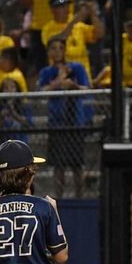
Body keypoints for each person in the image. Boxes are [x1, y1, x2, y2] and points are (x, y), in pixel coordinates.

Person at [37, 36, 92, 198]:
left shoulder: (78, 68)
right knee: (58, 165)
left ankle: (79, 197)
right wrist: (59, 81)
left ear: (65, 50)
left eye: (60, 48)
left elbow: (86, 88)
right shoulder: (47, 72)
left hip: (75, 121)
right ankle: (59, 198)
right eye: (53, 48)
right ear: (49, 52)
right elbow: (41, 92)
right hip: (56, 123)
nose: (57, 52)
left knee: (77, 165)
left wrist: (72, 86)